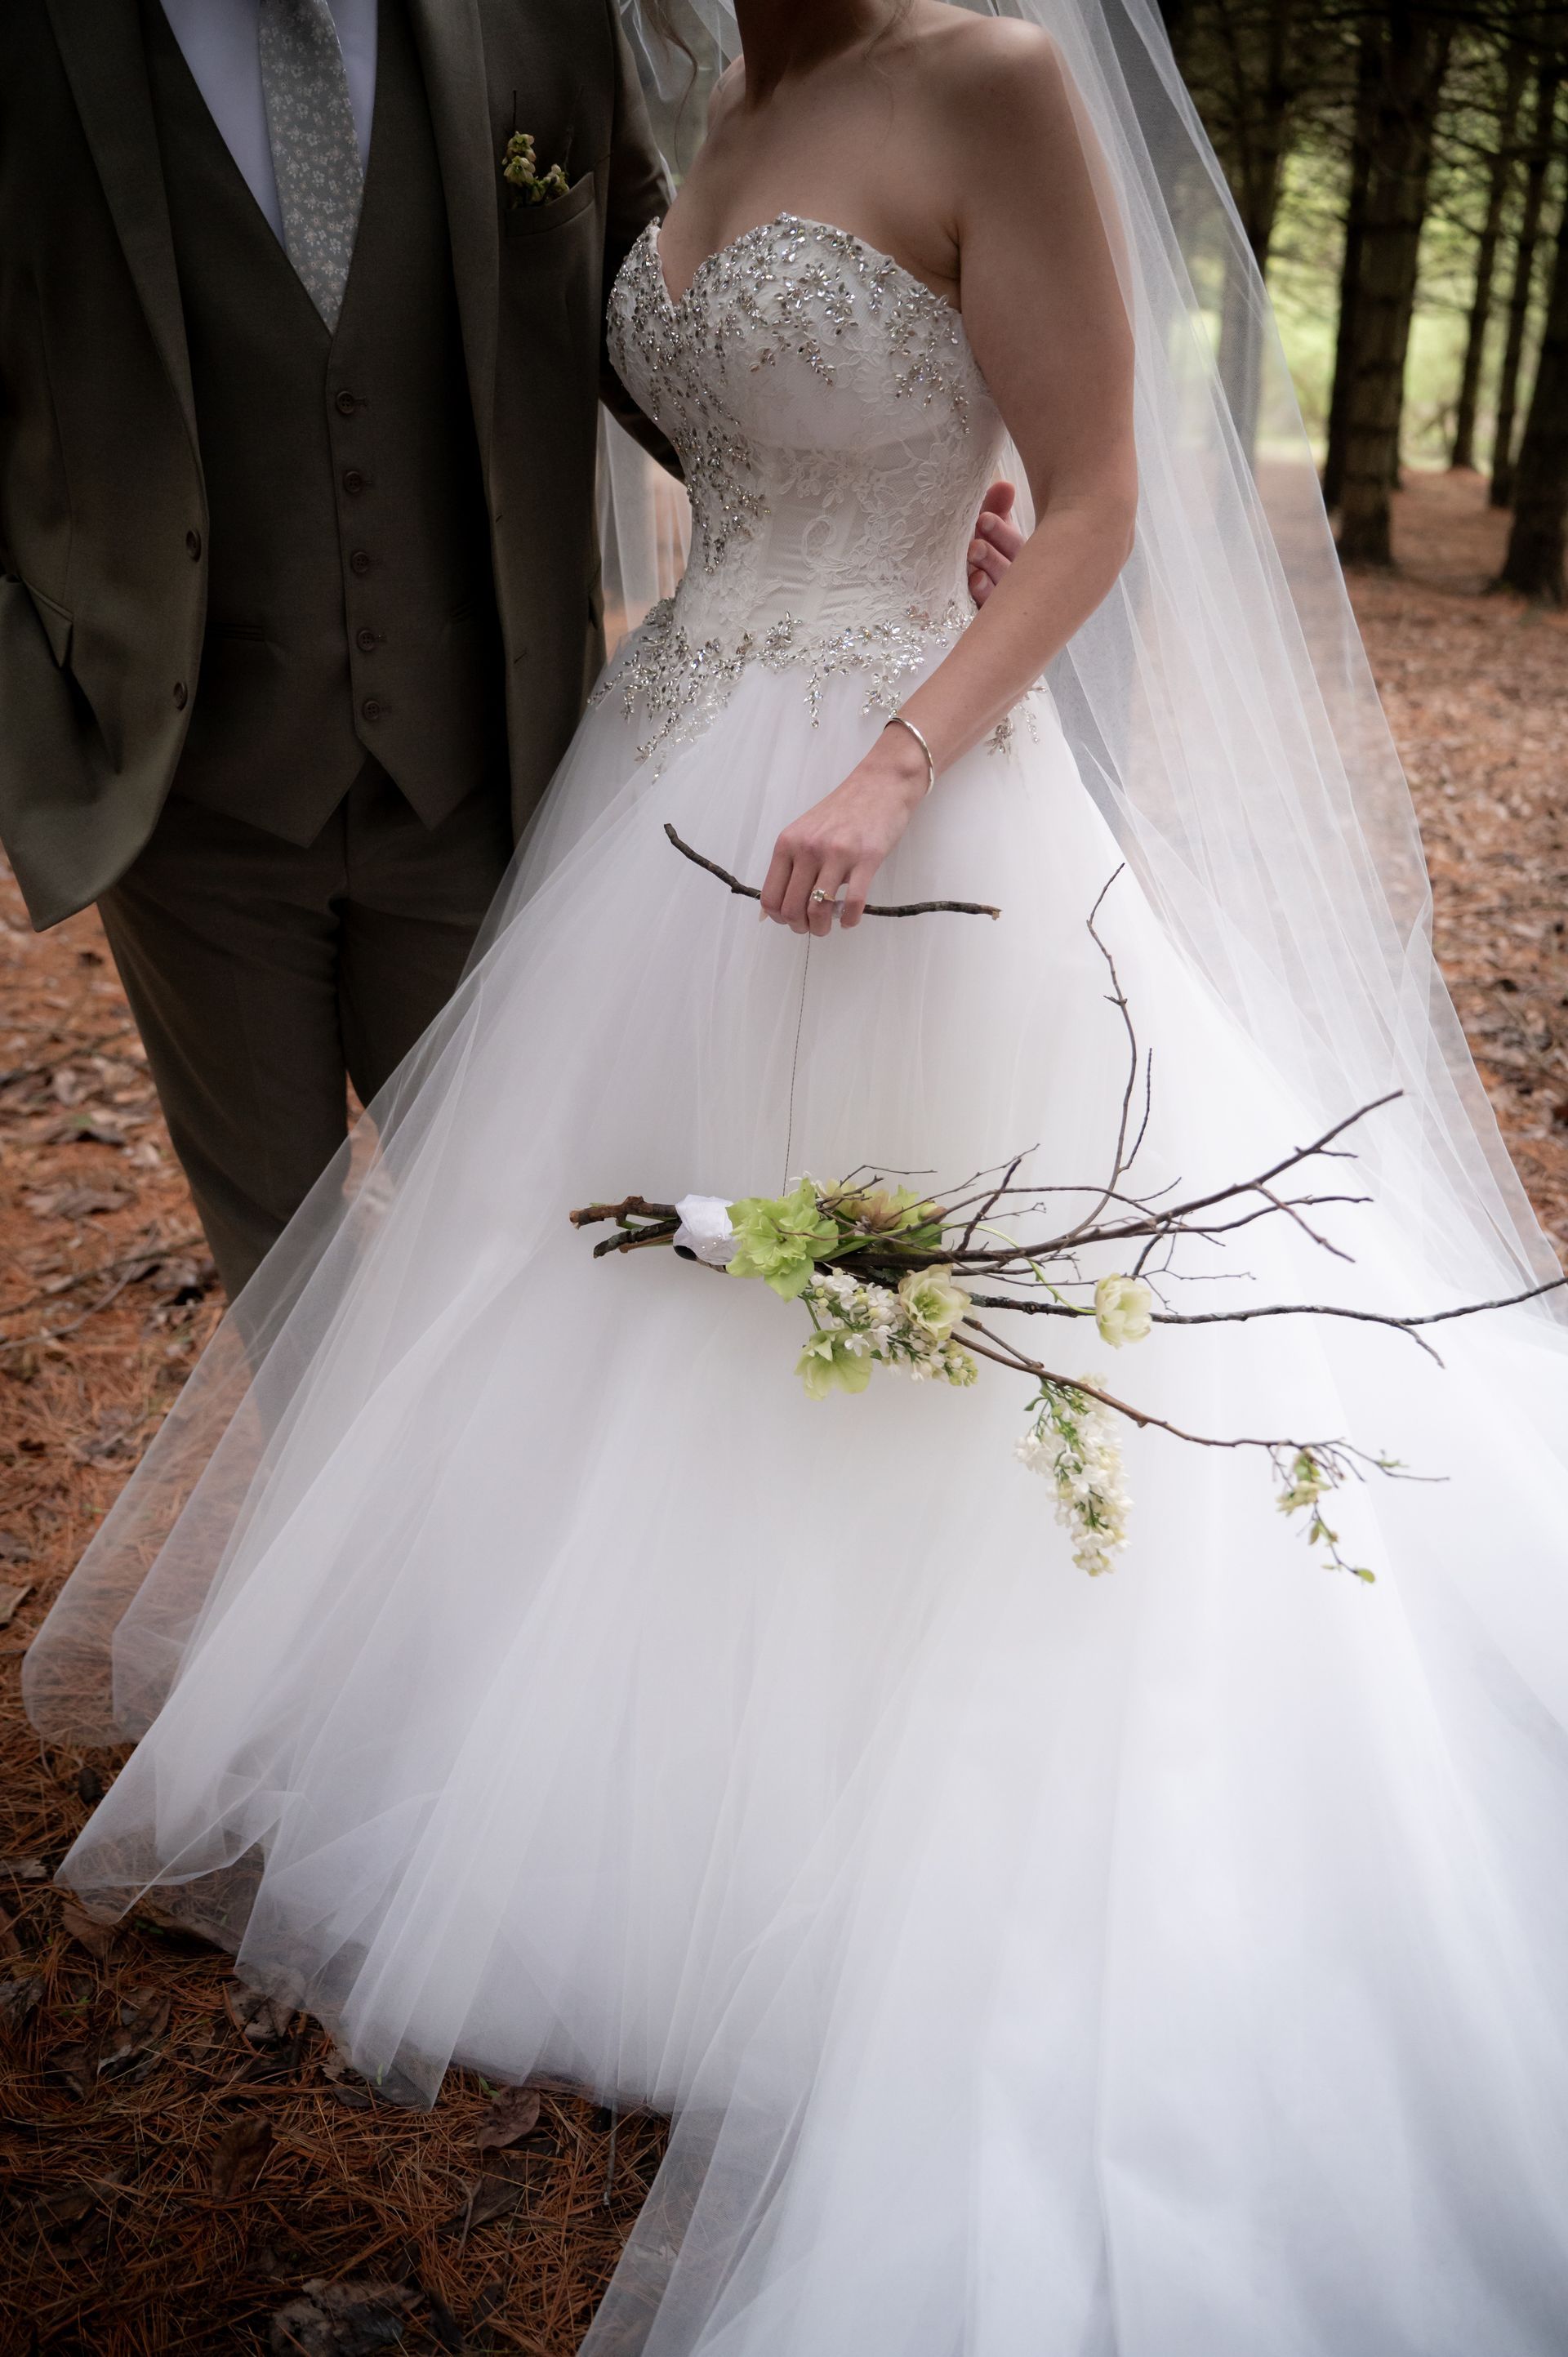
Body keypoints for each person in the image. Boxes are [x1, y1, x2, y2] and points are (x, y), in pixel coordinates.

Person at [24, 3, 1568, 2352]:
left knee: (920, 1346)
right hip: (659, 792)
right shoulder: (699, 95)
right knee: (653, 1312)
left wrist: (900, 744)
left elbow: (1116, 497)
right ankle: (629, 1820)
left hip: (903, 808)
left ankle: (877, 1856)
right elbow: (687, 390)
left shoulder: (1002, 86)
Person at [0, 0, 1027, 1297]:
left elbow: (665, 309)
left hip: (490, 777)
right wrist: (34, 717)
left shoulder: (541, 17)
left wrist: (885, 519)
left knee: (538, 1267)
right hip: (188, 799)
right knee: (294, 1296)